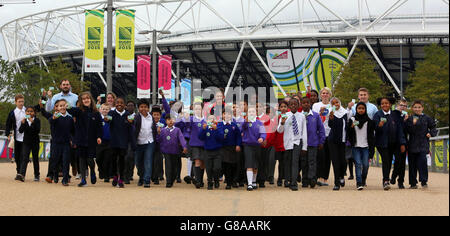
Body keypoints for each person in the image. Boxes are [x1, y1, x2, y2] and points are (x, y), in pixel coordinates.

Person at [67, 92, 103, 187]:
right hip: (80, 140)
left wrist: (99, 137)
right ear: (81, 101)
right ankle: (83, 179)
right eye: (83, 99)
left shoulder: (96, 113)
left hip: (91, 140)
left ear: (91, 100)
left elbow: (99, 127)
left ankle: (92, 171)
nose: (86, 100)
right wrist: (67, 106)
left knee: (90, 160)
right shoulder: (78, 111)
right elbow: (71, 110)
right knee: (82, 159)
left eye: (87, 98)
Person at [373, 97, 407, 191]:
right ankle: (386, 181)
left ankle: (393, 176)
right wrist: (379, 126)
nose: (385, 105)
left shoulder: (395, 115)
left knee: (399, 160)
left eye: (386, 103)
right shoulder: (377, 114)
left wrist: (402, 143)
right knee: (386, 162)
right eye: (382, 103)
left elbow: (400, 129)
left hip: (395, 143)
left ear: (390, 104)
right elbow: (375, 128)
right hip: (383, 144)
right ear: (380, 105)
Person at [405, 100, 438, 189]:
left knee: (423, 163)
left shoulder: (427, 118)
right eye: (415, 107)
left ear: (422, 108)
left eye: (419, 107)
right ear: (412, 108)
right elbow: (407, 130)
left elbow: (433, 127)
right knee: (412, 165)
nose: (417, 109)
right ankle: (413, 183)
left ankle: (424, 181)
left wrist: (430, 133)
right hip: (412, 144)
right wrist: (411, 123)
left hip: (423, 144)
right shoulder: (409, 119)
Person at [277, 98, 308, 191]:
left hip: (297, 142)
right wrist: (282, 123)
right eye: (291, 104)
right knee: (287, 162)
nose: (293, 106)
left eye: (295, 104)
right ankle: (287, 179)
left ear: (298, 106)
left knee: (295, 161)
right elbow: (279, 130)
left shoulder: (302, 116)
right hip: (287, 142)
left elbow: (304, 132)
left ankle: (294, 183)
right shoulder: (285, 116)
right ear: (289, 107)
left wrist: (304, 147)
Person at [104, 97, 133, 188]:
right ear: (115, 104)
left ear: (124, 105)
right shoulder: (111, 113)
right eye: (117, 103)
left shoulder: (128, 114)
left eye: (121, 103)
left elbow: (131, 125)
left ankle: (121, 178)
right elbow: (107, 120)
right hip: (114, 141)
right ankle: (115, 175)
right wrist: (107, 120)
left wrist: (130, 122)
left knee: (122, 160)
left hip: (123, 141)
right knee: (113, 159)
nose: (119, 104)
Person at [347, 102, 375, 190]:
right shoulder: (352, 119)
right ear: (356, 109)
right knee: (358, 164)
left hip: (366, 146)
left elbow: (371, 135)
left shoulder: (369, 121)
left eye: (363, 108)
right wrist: (351, 127)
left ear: (365, 110)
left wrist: (372, 149)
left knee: (366, 165)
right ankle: (359, 182)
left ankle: (363, 179)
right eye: (359, 108)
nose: (361, 110)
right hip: (355, 146)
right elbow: (347, 132)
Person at [48, 99, 75, 186]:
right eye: (60, 106)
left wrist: (73, 140)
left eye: (64, 105)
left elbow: (73, 131)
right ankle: (55, 175)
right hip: (56, 143)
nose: (63, 107)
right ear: (57, 108)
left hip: (66, 144)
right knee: (55, 161)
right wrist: (54, 118)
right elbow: (51, 121)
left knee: (66, 161)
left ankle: (65, 179)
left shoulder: (70, 118)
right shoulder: (55, 117)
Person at [179, 102, 206, 189]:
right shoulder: (191, 119)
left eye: (199, 109)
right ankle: (197, 181)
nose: (198, 110)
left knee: (202, 163)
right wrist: (184, 118)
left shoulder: (206, 119)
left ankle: (200, 180)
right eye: (196, 109)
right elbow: (182, 125)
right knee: (197, 161)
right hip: (194, 143)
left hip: (205, 144)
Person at [157, 114, 188, 188]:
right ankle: (168, 181)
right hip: (166, 151)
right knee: (168, 165)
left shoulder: (177, 130)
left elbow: (181, 138)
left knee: (174, 167)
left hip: (175, 151)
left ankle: (173, 178)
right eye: (168, 119)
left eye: (172, 119)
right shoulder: (163, 130)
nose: (170, 121)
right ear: (165, 121)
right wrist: (158, 133)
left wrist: (184, 146)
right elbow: (159, 140)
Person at [301, 97, 326, 188]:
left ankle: (312, 179)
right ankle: (305, 179)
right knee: (304, 162)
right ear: (301, 105)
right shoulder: (299, 116)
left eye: (307, 102)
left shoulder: (315, 115)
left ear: (310, 104)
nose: (306, 104)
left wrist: (321, 141)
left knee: (312, 161)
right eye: (303, 103)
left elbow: (321, 129)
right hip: (302, 144)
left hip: (313, 143)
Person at [133, 99, 156, 188]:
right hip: (138, 143)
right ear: (138, 108)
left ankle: (147, 180)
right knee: (138, 162)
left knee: (148, 161)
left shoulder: (151, 117)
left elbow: (153, 130)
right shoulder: (136, 117)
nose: (143, 109)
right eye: (141, 107)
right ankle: (141, 177)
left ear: (148, 108)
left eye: (145, 107)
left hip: (150, 142)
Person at [242, 106, 266, 191]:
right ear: (247, 114)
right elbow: (242, 128)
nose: (251, 113)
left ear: (256, 113)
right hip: (248, 146)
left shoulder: (260, 123)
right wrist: (246, 121)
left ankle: (254, 181)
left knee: (255, 165)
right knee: (249, 164)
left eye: (253, 112)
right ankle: (249, 184)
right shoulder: (246, 123)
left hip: (257, 146)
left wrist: (262, 138)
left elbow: (263, 133)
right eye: (249, 112)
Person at [312, 87, 333, 186]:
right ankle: (318, 176)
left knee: (328, 156)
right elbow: (313, 118)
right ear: (320, 95)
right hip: (319, 134)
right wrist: (319, 113)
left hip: (329, 133)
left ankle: (325, 177)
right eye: (323, 93)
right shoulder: (316, 105)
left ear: (330, 95)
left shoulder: (332, 105)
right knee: (320, 156)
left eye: (327, 93)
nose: (325, 95)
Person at [217, 108, 242, 189]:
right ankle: (228, 182)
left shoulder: (234, 125)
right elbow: (218, 135)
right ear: (222, 115)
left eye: (228, 114)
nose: (227, 115)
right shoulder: (220, 125)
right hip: (223, 148)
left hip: (233, 148)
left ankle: (234, 181)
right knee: (226, 165)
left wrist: (238, 145)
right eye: (225, 114)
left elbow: (238, 136)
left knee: (234, 165)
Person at [328, 97, 348, 191]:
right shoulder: (331, 113)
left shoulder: (345, 113)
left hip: (343, 140)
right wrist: (331, 118)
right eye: (333, 103)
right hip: (333, 140)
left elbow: (348, 126)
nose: (335, 104)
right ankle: (336, 183)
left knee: (343, 161)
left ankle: (341, 176)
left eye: (337, 102)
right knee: (335, 161)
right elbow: (330, 125)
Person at [199, 115, 224, 190]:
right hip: (207, 151)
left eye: (213, 119)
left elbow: (222, 137)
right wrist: (203, 129)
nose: (211, 120)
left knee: (217, 168)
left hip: (217, 151)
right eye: (210, 119)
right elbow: (200, 137)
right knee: (208, 168)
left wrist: (216, 129)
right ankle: (210, 182)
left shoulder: (218, 128)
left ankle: (216, 180)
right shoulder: (205, 129)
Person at [5, 94, 26, 180]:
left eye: (22, 101)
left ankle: (22, 173)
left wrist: (43, 99)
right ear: (15, 102)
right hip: (17, 137)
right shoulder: (12, 113)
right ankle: (18, 172)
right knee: (17, 156)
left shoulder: (27, 110)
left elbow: (37, 110)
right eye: (19, 102)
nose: (21, 103)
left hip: (26, 137)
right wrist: (7, 134)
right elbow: (8, 124)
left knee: (24, 156)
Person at [17, 106, 41, 182]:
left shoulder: (37, 120)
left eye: (31, 111)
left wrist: (32, 122)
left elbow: (37, 130)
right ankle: (22, 174)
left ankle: (37, 175)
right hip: (26, 142)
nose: (29, 113)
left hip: (35, 142)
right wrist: (23, 123)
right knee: (25, 158)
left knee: (35, 158)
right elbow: (20, 131)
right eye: (27, 111)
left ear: (34, 113)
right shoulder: (24, 121)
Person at [390, 99, 409, 189]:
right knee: (398, 161)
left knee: (402, 163)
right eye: (401, 105)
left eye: (405, 106)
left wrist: (406, 121)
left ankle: (400, 181)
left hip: (403, 141)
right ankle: (393, 176)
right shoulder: (394, 114)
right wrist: (403, 121)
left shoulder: (406, 116)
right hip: (395, 141)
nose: (403, 107)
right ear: (398, 105)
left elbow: (406, 130)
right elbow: (398, 128)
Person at [96, 104, 113, 183]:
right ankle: (100, 170)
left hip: (109, 142)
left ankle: (106, 176)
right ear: (100, 110)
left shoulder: (110, 119)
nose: (105, 110)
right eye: (103, 109)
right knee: (99, 158)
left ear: (109, 110)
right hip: (100, 142)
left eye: (106, 109)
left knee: (107, 159)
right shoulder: (98, 119)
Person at [151, 105, 165, 185]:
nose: (156, 116)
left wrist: (160, 132)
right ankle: (152, 176)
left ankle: (156, 177)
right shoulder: (150, 122)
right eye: (154, 115)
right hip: (151, 144)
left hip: (159, 145)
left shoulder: (162, 123)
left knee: (158, 161)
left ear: (160, 115)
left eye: (158, 115)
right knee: (151, 160)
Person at [124, 100, 137, 184]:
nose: (130, 107)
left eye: (132, 105)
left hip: (134, 140)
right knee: (126, 158)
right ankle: (126, 176)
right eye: (128, 105)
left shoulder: (137, 117)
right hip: (125, 139)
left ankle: (130, 174)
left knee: (131, 158)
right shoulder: (124, 115)